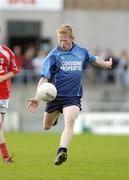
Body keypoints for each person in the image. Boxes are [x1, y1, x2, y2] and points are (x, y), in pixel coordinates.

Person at [27, 24, 112, 166]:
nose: (62, 43)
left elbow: (94, 59)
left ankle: (62, 151)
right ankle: (56, 116)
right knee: (46, 126)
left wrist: (106, 65)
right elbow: (44, 78)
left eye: (65, 40)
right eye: (60, 40)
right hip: (55, 97)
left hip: (72, 97)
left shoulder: (81, 52)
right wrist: (37, 97)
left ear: (71, 38)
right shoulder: (53, 55)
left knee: (70, 122)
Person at [0, 27, 19, 163]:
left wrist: (2, 78)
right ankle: (6, 157)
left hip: (4, 93)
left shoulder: (7, 52)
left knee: (0, 127)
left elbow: (15, 70)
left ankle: (6, 158)